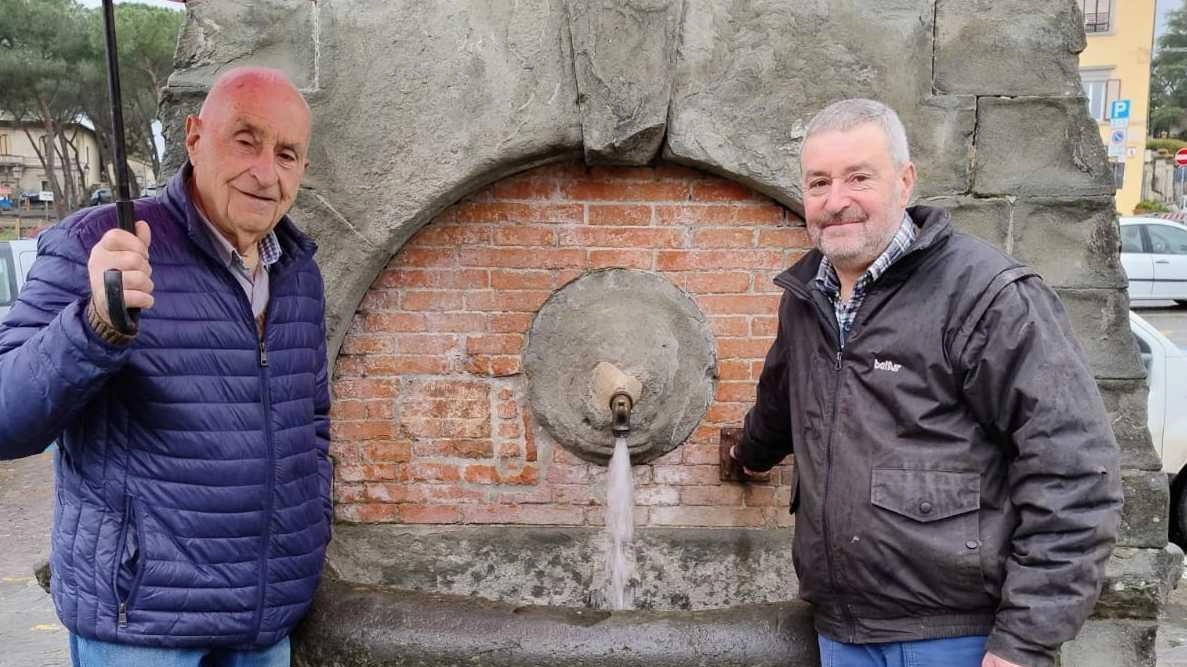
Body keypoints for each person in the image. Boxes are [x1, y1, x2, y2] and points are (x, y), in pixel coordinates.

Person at [730, 98, 1122, 667]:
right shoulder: (808, 298)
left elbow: (1074, 471)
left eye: (858, 177)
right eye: (818, 183)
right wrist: (748, 453)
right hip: (843, 631)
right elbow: (781, 401)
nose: (835, 201)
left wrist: (1024, 642)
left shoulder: (987, 296)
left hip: (956, 635)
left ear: (905, 181)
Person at [0, 66, 331, 667]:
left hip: (263, 622)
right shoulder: (95, 243)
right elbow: (5, 419)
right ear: (194, 136)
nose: (266, 172)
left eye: (287, 153)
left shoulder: (299, 271)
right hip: (140, 625)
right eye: (246, 140)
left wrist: (310, 535)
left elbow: (312, 422)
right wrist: (94, 325)